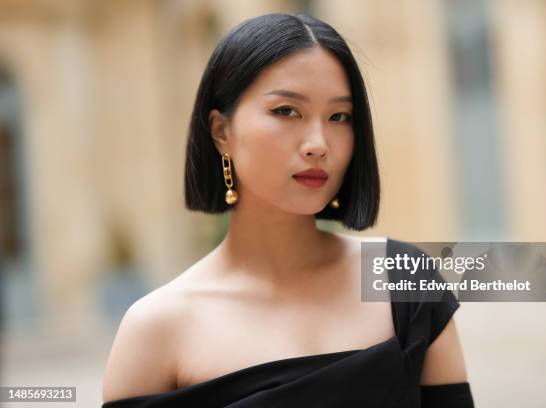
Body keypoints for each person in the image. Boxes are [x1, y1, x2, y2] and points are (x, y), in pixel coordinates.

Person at [101, 12, 474, 407]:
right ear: (221, 132)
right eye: (286, 111)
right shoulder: (157, 328)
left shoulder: (405, 280)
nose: (319, 143)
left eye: (339, 117)